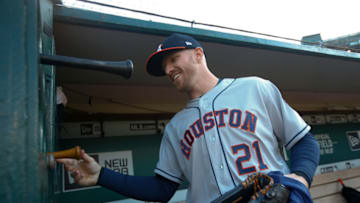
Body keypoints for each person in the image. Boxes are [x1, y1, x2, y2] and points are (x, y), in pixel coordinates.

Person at [57, 33, 320, 203]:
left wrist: (300, 177)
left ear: (198, 55)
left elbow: (303, 141)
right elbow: (162, 188)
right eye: (165, 68)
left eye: (172, 59)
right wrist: (101, 175)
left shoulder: (254, 88)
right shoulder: (176, 127)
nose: (168, 70)